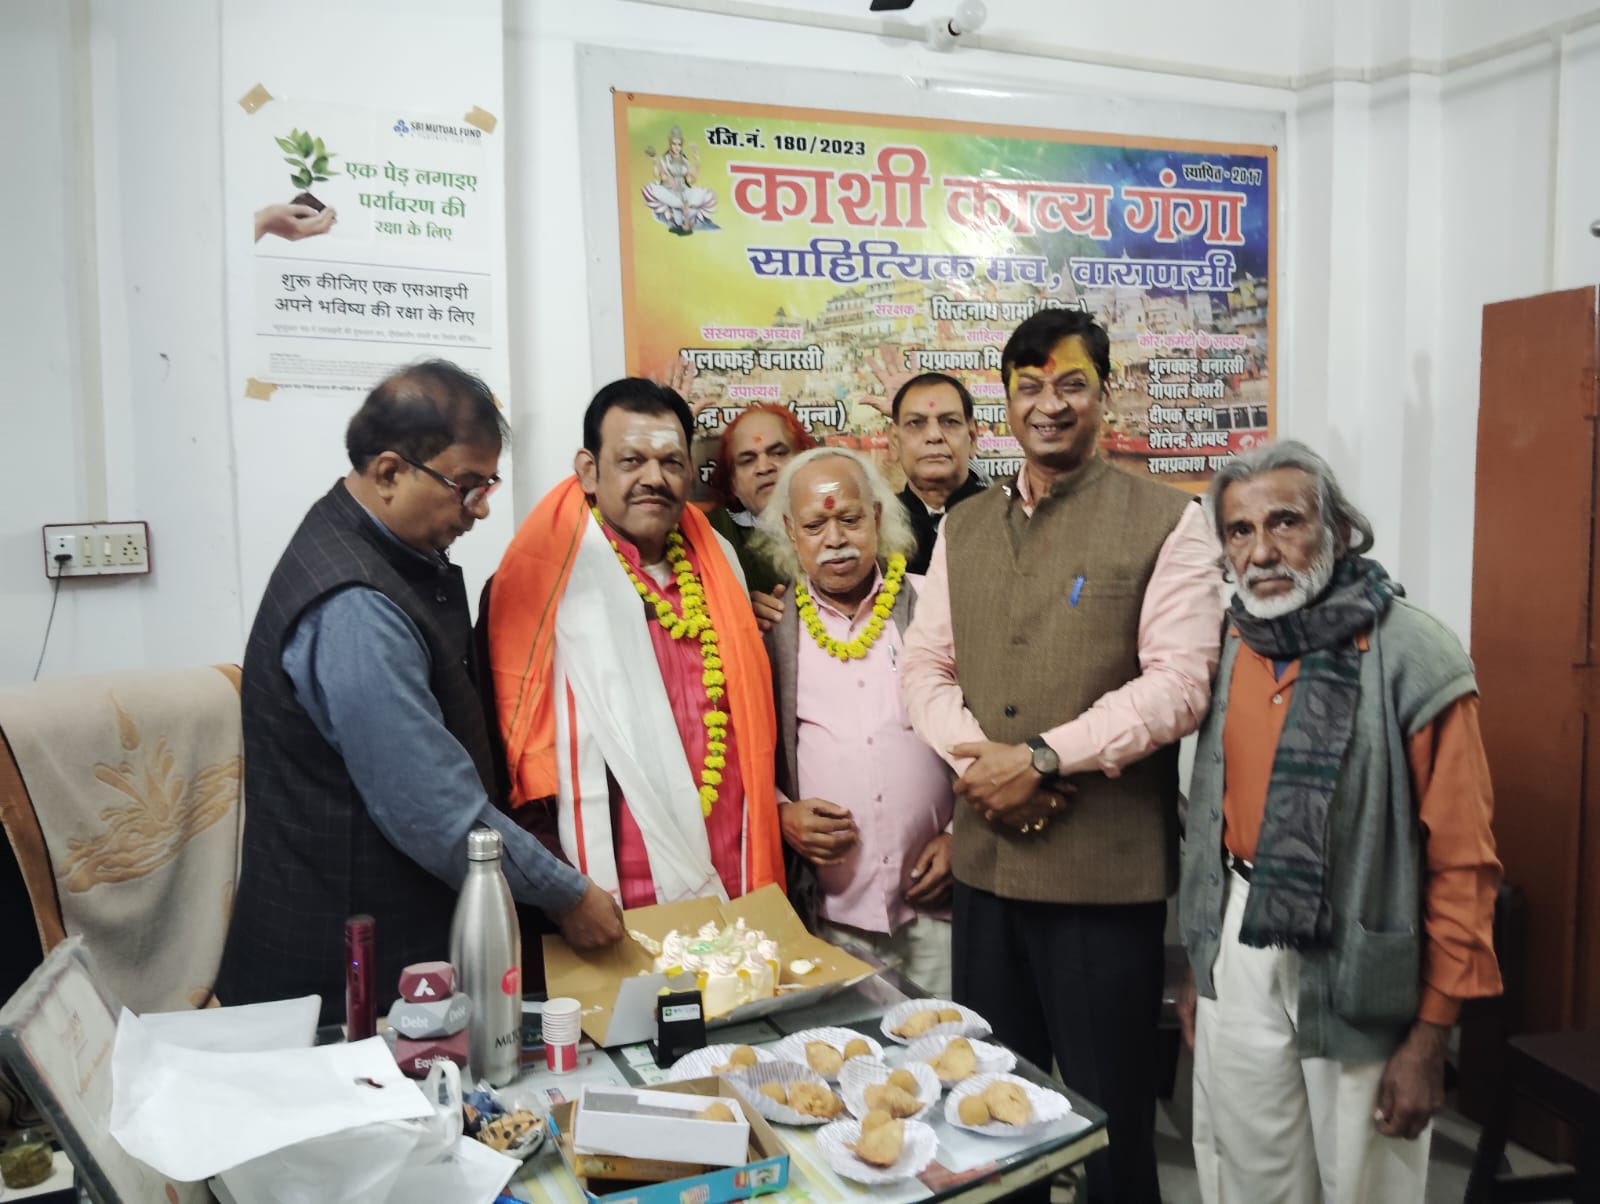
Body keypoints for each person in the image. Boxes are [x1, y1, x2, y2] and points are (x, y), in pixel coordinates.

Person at [900, 309, 1222, 1203]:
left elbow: (1179, 684)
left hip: (1101, 882)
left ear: (1105, 394)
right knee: (988, 1115)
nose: (1050, 405)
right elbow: (924, 665)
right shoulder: (965, 526)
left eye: (1072, 384)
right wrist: (984, 764)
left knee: (1109, 1124)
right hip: (987, 873)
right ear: (1006, 402)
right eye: (1030, 387)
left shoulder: (1169, 520)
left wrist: (1042, 759)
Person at [216, 361, 621, 1025]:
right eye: (466, 486)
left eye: (488, 485)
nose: (481, 508)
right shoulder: (355, 609)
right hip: (338, 983)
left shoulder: (377, 549)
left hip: (377, 951)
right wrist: (567, 894)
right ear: (388, 473)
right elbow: (437, 813)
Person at [1176, 441, 1502, 1204]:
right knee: (1252, 1175)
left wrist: (1431, 1036)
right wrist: (1201, 964)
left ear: (1340, 531)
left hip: (1361, 957)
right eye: (1240, 530)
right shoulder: (1229, 642)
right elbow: (1210, 822)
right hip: (1238, 941)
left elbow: (1464, 863)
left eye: (1285, 522)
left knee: (1363, 1183)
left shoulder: (1416, 653)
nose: (1262, 552)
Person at [486, 379, 783, 907]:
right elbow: (512, 762)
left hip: (736, 868)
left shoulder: (723, 569)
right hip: (609, 890)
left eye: (671, 462)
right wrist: (562, 894)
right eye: (631, 461)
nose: (654, 479)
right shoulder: (538, 588)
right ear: (588, 470)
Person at [756, 447, 956, 995]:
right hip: (824, 917)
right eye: (815, 525)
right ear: (791, 532)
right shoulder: (769, 629)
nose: (836, 539)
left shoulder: (936, 606)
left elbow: (989, 724)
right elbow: (740, 751)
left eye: (849, 518)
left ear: (877, 517)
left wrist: (961, 837)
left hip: (937, 911)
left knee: (948, 1040)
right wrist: (780, 813)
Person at [705, 403, 817, 595]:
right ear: (733, 483)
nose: (764, 468)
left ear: (805, 460)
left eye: (778, 453)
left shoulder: (842, 521)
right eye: (748, 460)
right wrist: (741, 604)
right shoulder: (711, 534)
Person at [887, 372, 986, 575]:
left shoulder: (1007, 516)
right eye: (915, 423)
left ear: (972, 437)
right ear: (895, 441)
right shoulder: (878, 525)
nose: (933, 435)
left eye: (949, 421)